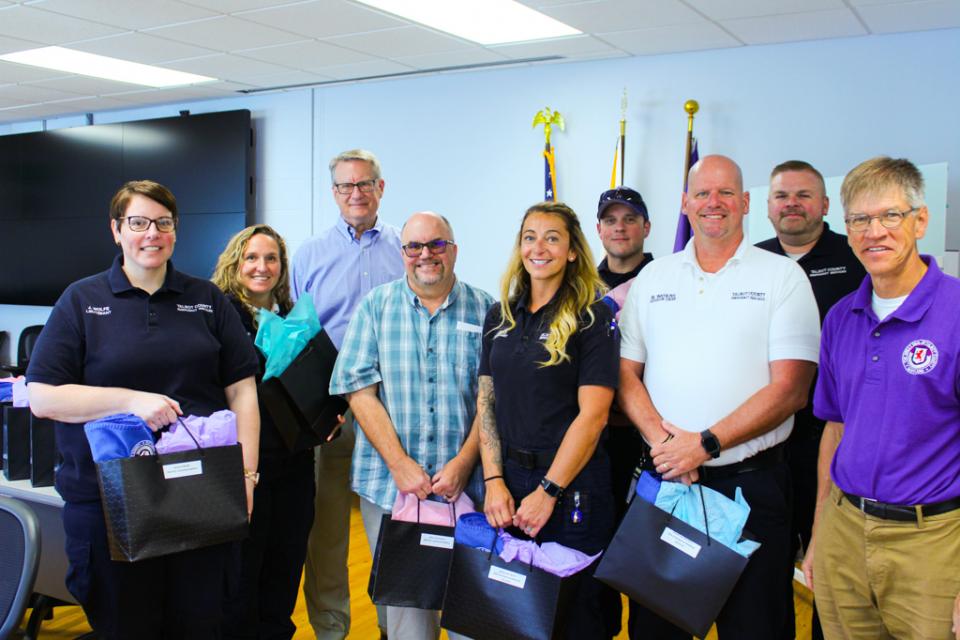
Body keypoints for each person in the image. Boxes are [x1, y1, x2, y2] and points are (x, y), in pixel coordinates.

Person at [26, 180, 260, 639]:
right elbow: (43, 397)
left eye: (163, 223)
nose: (151, 233)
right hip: (108, 502)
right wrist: (131, 400)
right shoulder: (82, 300)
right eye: (138, 222)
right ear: (117, 230)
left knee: (202, 622)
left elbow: (242, 391)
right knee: (124, 624)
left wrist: (247, 475)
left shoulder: (207, 299)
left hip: (201, 494)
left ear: (175, 231)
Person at [618, 155, 820, 639]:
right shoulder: (654, 279)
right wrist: (667, 444)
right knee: (655, 627)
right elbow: (625, 374)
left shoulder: (782, 277)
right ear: (685, 203)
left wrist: (704, 443)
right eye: (702, 193)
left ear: (746, 202)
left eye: (726, 192)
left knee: (755, 627)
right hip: (669, 486)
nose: (714, 203)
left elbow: (791, 388)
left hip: (750, 488)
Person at [802, 157, 960, 640]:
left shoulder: (955, 311)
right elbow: (835, 428)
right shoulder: (841, 319)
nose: (876, 232)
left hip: (932, 542)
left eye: (890, 215)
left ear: (921, 220)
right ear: (846, 230)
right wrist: (818, 536)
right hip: (843, 532)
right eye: (860, 220)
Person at [329, 211, 492, 640]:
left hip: (468, 489)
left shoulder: (487, 309)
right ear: (402, 254)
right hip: (389, 489)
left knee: (468, 613)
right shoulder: (376, 306)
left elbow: (489, 399)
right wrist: (399, 463)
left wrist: (463, 461)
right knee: (405, 620)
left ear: (453, 250)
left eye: (436, 244)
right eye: (414, 246)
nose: (425, 255)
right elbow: (357, 388)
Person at [478, 201, 621, 639]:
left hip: (571, 487)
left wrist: (549, 491)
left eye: (552, 238)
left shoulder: (593, 316)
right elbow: (487, 404)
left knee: (574, 620)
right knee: (513, 616)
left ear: (573, 251)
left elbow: (593, 417)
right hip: (510, 483)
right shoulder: (499, 315)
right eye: (530, 237)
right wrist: (493, 480)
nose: (539, 247)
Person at [291, 149, 403, 639]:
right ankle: (331, 630)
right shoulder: (309, 255)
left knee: (389, 531)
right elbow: (298, 336)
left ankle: (388, 627)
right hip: (329, 411)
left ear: (381, 188)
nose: (355, 194)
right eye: (345, 186)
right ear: (333, 193)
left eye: (364, 184)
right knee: (328, 532)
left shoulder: (407, 249)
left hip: (390, 410)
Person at [756, 160, 866, 640]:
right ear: (767, 207)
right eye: (782, 195)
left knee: (831, 570)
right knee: (765, 570)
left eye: (804, 195)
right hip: (761, 443)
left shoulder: (858, 257)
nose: (792, 204)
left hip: (835, 440)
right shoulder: (750, 261)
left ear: (825, 206)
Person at [213, 224, 326, 639]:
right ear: (235, 262)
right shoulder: (218, 315)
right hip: (244, 470)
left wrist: (327, 417)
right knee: (241, 578)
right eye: (252, 258)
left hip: (293, 467)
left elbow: (311, 388)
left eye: (272, 258)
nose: (263, 267)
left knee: (284, 569)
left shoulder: (293, 318)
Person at [594, 186, 654, 639]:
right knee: (598, 551)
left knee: (646, 557)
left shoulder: (668, 280)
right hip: (594, 439)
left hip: (650, 440)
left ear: (646, 228)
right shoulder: (578, 285)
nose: (620, 227)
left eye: (629, 219)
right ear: (598, 230)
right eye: (611, 220)